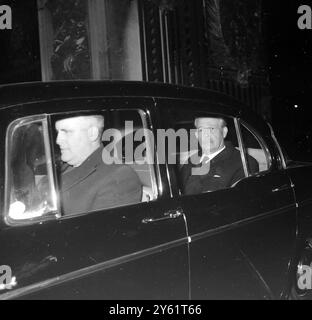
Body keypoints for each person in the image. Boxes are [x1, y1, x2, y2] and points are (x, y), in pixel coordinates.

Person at [54, 115, 142, 215]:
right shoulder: (58, 169)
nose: (58, 140)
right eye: (58, 132)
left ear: (92, 134)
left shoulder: (119, 177)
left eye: (66, 132)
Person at [180, 117, 259, 195]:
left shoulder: (245, 163)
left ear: (224, 132)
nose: (206, 134)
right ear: (196, 135)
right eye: (201, 130)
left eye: (211, 128)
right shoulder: (190, 161)